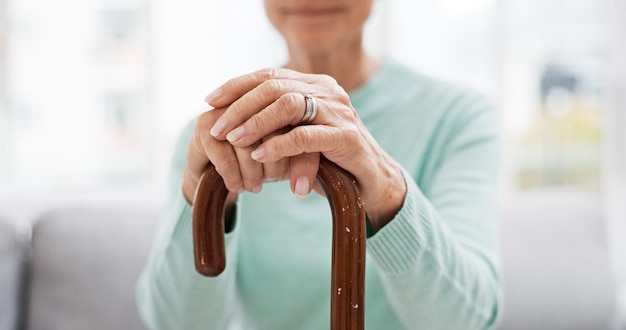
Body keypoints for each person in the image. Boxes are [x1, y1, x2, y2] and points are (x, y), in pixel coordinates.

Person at [136, 0, 502, 329]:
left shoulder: (458, 118)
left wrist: (385, 186)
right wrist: (199, 199)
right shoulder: (215, 137)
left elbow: (467, 321)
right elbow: (174, 323)